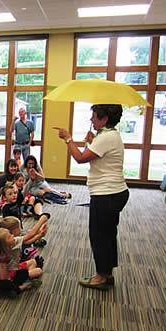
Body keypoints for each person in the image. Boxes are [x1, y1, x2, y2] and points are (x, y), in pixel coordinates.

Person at [55, 104, 129, 289]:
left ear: (104, 119)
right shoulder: (110, 135)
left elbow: (80, 158)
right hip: (114, 192)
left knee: (99, 236)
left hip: (106, 194)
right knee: (108, 235)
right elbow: (95, 155)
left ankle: (101, 276)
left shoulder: (106, 138)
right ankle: (106, 272)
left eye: (94, 117)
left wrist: (68, 139)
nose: (91, 120)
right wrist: (91, 141)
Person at [0, 228, 42, 295]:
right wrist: (20, 275)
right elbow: (5, 280)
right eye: (9, 236)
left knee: (33, 262)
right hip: (5, 277)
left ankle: (26, 280)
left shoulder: (6, 247)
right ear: (3, 244)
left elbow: (27, 239)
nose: (12, 235)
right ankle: (21, 286)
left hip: (10, 270)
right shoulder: (2, 259)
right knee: (38, 271)